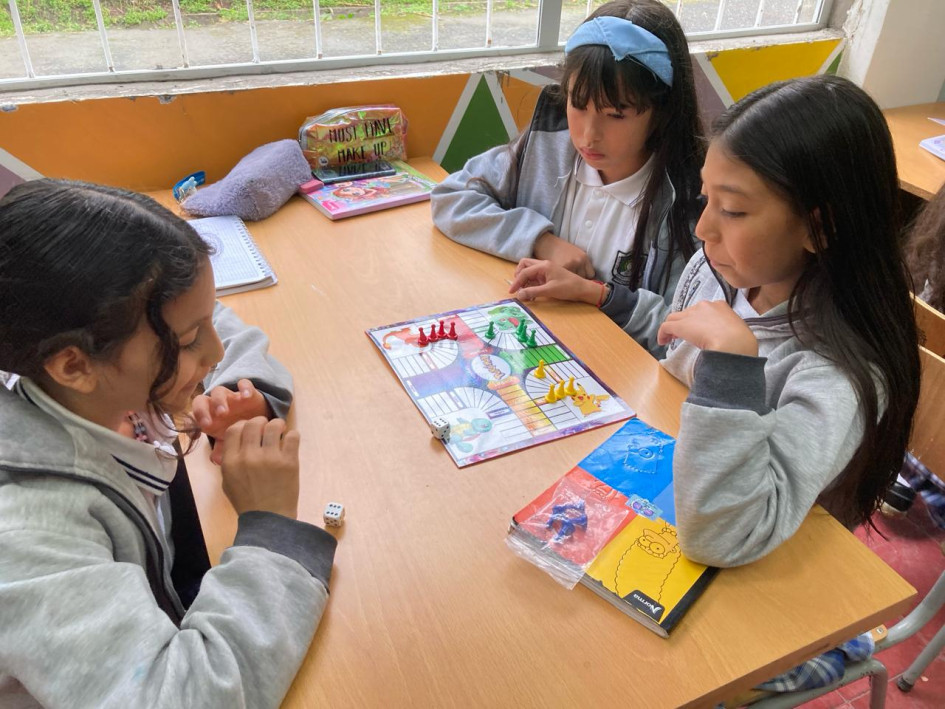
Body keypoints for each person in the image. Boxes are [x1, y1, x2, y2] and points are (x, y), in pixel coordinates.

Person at [513, 74, 921, 568]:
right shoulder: (723, 266)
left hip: (750, 575)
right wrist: (601, 296)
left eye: (732, 210)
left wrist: (732, 365)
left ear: (820, 226)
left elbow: (723, 535)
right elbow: (678, 332)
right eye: (706, 200)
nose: (703, 229)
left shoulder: (837, 375)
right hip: (660, 483)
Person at [0, 180, 337, 708]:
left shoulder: (76, 363)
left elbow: (213, 320)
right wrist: (271, 530)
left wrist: (236, 390)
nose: (217, 347)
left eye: (206, 323)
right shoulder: (29, 531)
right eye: (188, 341)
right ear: (74, 365)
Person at [431, 0, 704, 352]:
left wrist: (599, 296)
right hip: (537, 349)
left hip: (618, 375)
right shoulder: (548, 144)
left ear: (661, 113)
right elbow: (450, 196)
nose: (589, 135)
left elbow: (684, 336)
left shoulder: (691, 204)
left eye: (615, 114)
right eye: (578, 104)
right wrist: (541, 241)